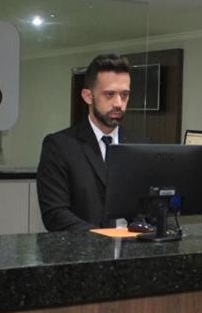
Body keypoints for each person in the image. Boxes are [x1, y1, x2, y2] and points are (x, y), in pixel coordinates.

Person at [36, 54, 141, 231]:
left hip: (133, 251)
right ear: (88, 96)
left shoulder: (139, 145)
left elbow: (152, 207)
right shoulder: (60, 146)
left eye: (124, 95)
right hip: (84, 252)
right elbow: (55, 215)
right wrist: (103, 239)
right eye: (109, 94)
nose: (118, 103)